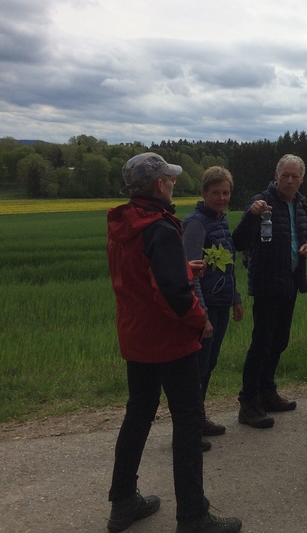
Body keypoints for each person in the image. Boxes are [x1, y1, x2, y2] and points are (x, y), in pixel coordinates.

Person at [106, 152, 241, 533]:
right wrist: (200, 320)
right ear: (157, 185)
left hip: (136, 336)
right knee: (188, 421)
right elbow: (173, 295)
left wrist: (182, 269)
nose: (173, 183)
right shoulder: (161, 229)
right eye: (169, 178)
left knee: (138, 415)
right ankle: (193, 515)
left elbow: (143, 275)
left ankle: (122, 502)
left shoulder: (124, 224)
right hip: (168, 340)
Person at [232, 154, 307, 428]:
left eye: (295, 176)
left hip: (290, 282)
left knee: (279, 341)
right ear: (276, 175)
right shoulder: (261, 202)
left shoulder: (300, 204)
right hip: (267, 283)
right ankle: (248, 402)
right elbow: (239, 241)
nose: (290, 180)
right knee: (261, 344)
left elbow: (304, 235)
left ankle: (267, 392)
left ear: (301, 179)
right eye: (285, 175)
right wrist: (252, 215)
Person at [183, 167, 244, 438]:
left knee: (208, 364)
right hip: (204, 307)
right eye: (216, 193)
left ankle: (198, 418)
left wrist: (235, 299)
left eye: (226, 193)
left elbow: (228, 267)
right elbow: (190, 273)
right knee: (197, 368)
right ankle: (189, 426)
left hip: (221, 304)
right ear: (203, 193)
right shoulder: (196, 224)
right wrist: (202, 314)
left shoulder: (221, 222)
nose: (222, 198)